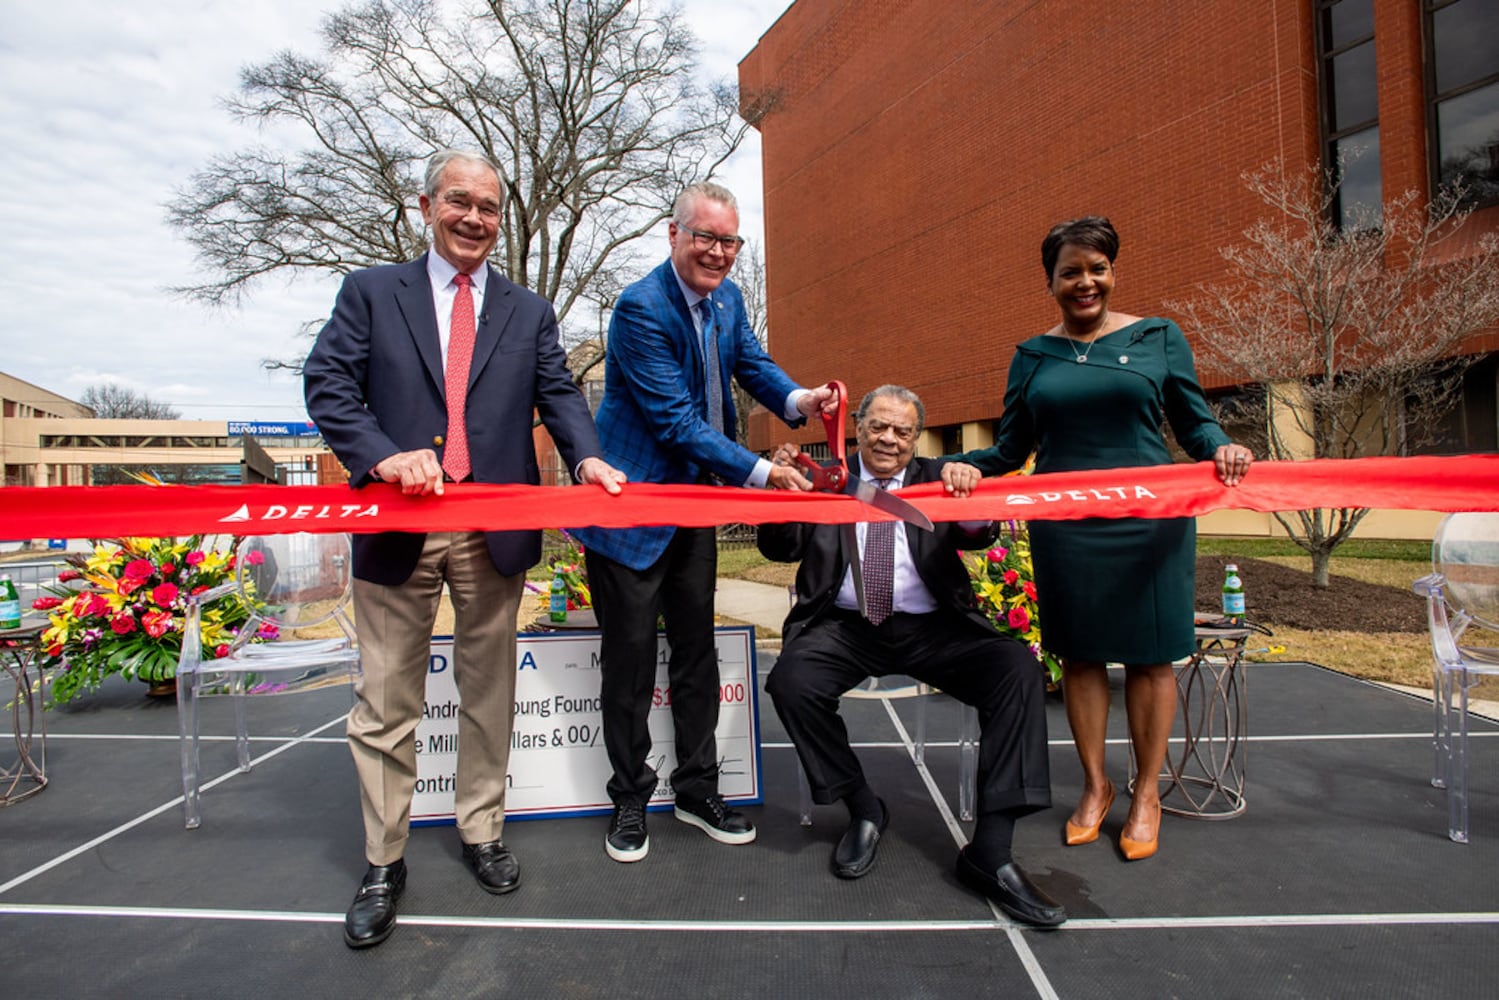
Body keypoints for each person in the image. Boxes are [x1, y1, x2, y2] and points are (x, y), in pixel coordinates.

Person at [304, 149, 625, 949]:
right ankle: (384, 862)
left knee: (489, 694)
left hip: (494, 528)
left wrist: (584, 454)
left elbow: (557, 391)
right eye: (459, 201)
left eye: (487, 206)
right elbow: (328, 384)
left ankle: (482, 831)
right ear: (426, 206)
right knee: (386, 702)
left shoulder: (528, 309)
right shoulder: (371, 292)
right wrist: (380, 454)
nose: (474, 217)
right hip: (397, 524)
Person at [941, 216, 1253, 863]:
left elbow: (1194, 425)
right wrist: (972, 465)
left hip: (1149, 523)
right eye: (1070, 272)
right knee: (1079, 656)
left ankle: (1145, 794)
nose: (1085, 282)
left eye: (1097, 268)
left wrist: (1221, 447)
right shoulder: (1032, 356)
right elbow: (1011, 447)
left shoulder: (1157, 337)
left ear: (1112, 271)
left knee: (1149, 657)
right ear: (1050, 281)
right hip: (1067, 526)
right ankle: (1095, 786)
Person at [571, 181, 835, 863]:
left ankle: (697, 789)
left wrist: (801, 397)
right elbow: (675, 422)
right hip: (629, 514)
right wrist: (758, 472)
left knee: (696, 655)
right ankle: (629, 798)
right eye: (706, 238)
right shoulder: (639, 307)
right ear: (674, 234)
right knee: (628, 666)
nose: (719, 253)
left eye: (729, 241)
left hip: (693, 511)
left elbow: (750, 363)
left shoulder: (728, 299)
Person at [759, 385, 1065, 928]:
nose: (889, 440)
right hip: (844, 624)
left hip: (933, 626)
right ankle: (863, 806)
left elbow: (976, 535)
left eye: (903, 431)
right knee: (791, 681)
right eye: (879, 426)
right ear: (858, 427)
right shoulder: (826, 476)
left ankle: (991, 853)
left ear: (916, 438)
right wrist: (783, 489)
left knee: (1016, 669)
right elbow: (779, 547)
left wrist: (971, 498)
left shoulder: (937, 475)